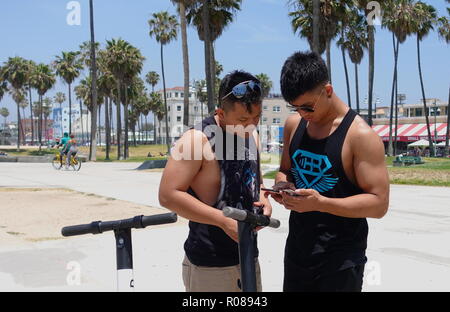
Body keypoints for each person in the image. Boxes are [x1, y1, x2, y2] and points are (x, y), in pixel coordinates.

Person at [270, 51, 389, 292]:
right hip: (297, 252)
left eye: (307, 107)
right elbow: (285, 170)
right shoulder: (294, 124)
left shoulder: (360, 136)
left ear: (327, 91)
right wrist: (283, 185)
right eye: (295, 107)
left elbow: (379, 204)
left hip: (340, 261)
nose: (302, 114)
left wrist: (321, 203)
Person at [158, 70, 272, 292]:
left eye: (256, 118)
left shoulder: (252, 134)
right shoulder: (196, 140)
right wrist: (222, 220)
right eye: (242, 120)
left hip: (248, 256)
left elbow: (254, 182)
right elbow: (168, 195)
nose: (250, 126)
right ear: (221, 112)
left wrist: (263, 199)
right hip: (209, 265)